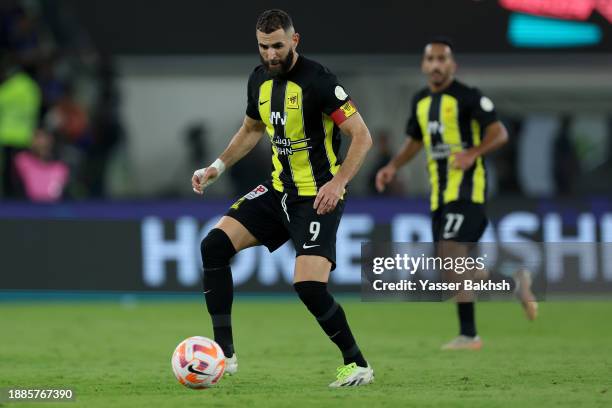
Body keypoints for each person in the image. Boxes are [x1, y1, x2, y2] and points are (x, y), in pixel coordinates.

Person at [192, 10, 374, 387]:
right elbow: (250, 129)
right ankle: (224, 354)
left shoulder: (319, 81)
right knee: (213, 246)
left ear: (294, 40)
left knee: (308, 286)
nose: (271, 54)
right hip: (278, 191)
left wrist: (338, 182)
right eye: (263, 47)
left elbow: (362, 135)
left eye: (277, 45)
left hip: (317, 196)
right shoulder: (259, 79)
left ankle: (357, 364)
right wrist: (217, 167)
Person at [375, 38, 537, 350]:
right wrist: (392, 166)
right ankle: (515, 283)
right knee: (455, 272)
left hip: (467, 192)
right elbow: (415, 140)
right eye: (431, 59)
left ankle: (469, 335)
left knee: (452, 259)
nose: (436, 65)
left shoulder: (468, 97)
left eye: (442, 59)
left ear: (452, 65)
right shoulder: (421, 101)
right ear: (424, 65)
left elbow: (499, 132)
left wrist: (472, 153)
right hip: (440, 196)